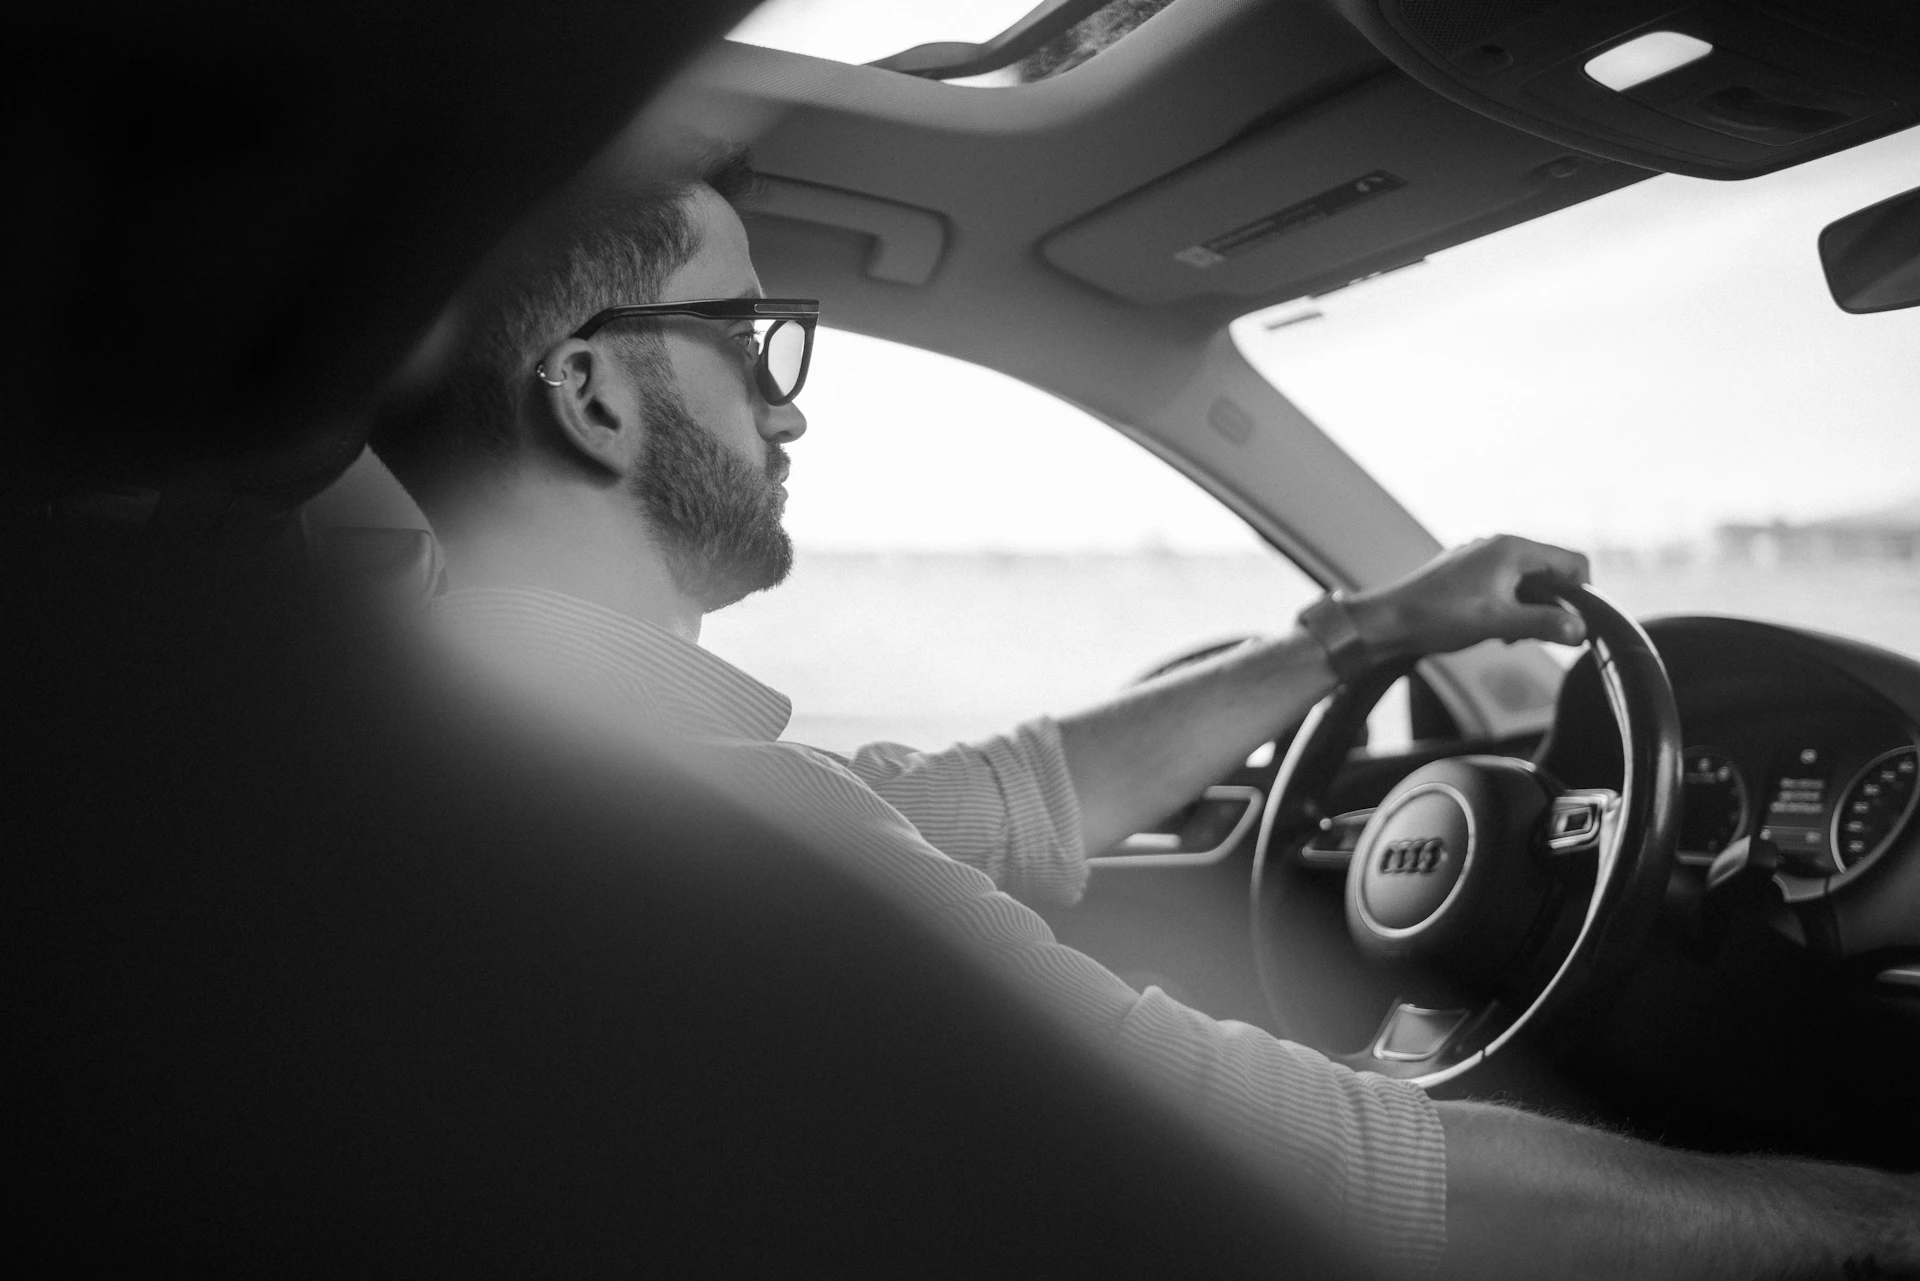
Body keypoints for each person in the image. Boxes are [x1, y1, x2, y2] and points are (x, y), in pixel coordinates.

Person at [371, 146, 1920, 1278]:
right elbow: (1344, 1176)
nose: (787, 400)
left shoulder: (476, 760)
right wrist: (1869, 1224)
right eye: (750, 338)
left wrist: (1370, 634)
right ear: (592, 394)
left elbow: (994, 800)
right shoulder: (698, 812)